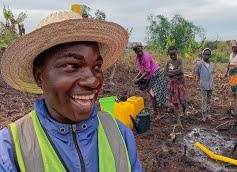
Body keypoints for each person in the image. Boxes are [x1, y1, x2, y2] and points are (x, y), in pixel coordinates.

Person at [0, 11, 143, 172]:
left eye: (97, 67)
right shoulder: (10, 151)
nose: (94, 81)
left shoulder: (120, 134)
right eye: (72, 66)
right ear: (39, 77)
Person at [132, 43, 167, 119]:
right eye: (137, 52)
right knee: (151, 95)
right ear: (135, 52)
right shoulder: (138, 58)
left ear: (142, 49)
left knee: (158, 93)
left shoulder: (146, 57)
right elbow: (142, 70)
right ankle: (155, 112)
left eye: (140, 51)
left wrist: (138, 79)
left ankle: (161, 113)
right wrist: (136, 77)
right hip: (150, 76)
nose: (139, 53)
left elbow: (147, 71)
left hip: (157, 75)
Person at [164, 46, 190, 127]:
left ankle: (184, 111)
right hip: (173, 85)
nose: (173, 56)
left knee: (183, 102)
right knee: (175, 104)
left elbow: (181, 70)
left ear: (176, 53)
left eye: (174, 54)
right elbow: (165, 73)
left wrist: (172, 72)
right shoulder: (168, 62)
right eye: (171, 55)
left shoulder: (180, 60)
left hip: (181, 84)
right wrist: (176, 72)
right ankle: (178, 122)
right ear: (169, 54)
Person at [195, 48, 214, 122]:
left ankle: (208, 113)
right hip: (203, 84)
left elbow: (211, 74)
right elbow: (197, 73)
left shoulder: (212, 64)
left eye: (208, 54)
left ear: (210, 55)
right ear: (203, 55)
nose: (206, 56)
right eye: (205, 54)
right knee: (204, 100)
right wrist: (199, 80)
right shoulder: (199, 63)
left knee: (208, 100)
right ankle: (204, 115)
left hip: (210, 84)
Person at [225, 40, 237, 104]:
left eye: (235, 47)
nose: (234, 48)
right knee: (233, 85)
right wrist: (226, 72)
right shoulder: (231, 55)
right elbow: (229, 63)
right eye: (233, 47)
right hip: (231, 71)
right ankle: (235, 98)